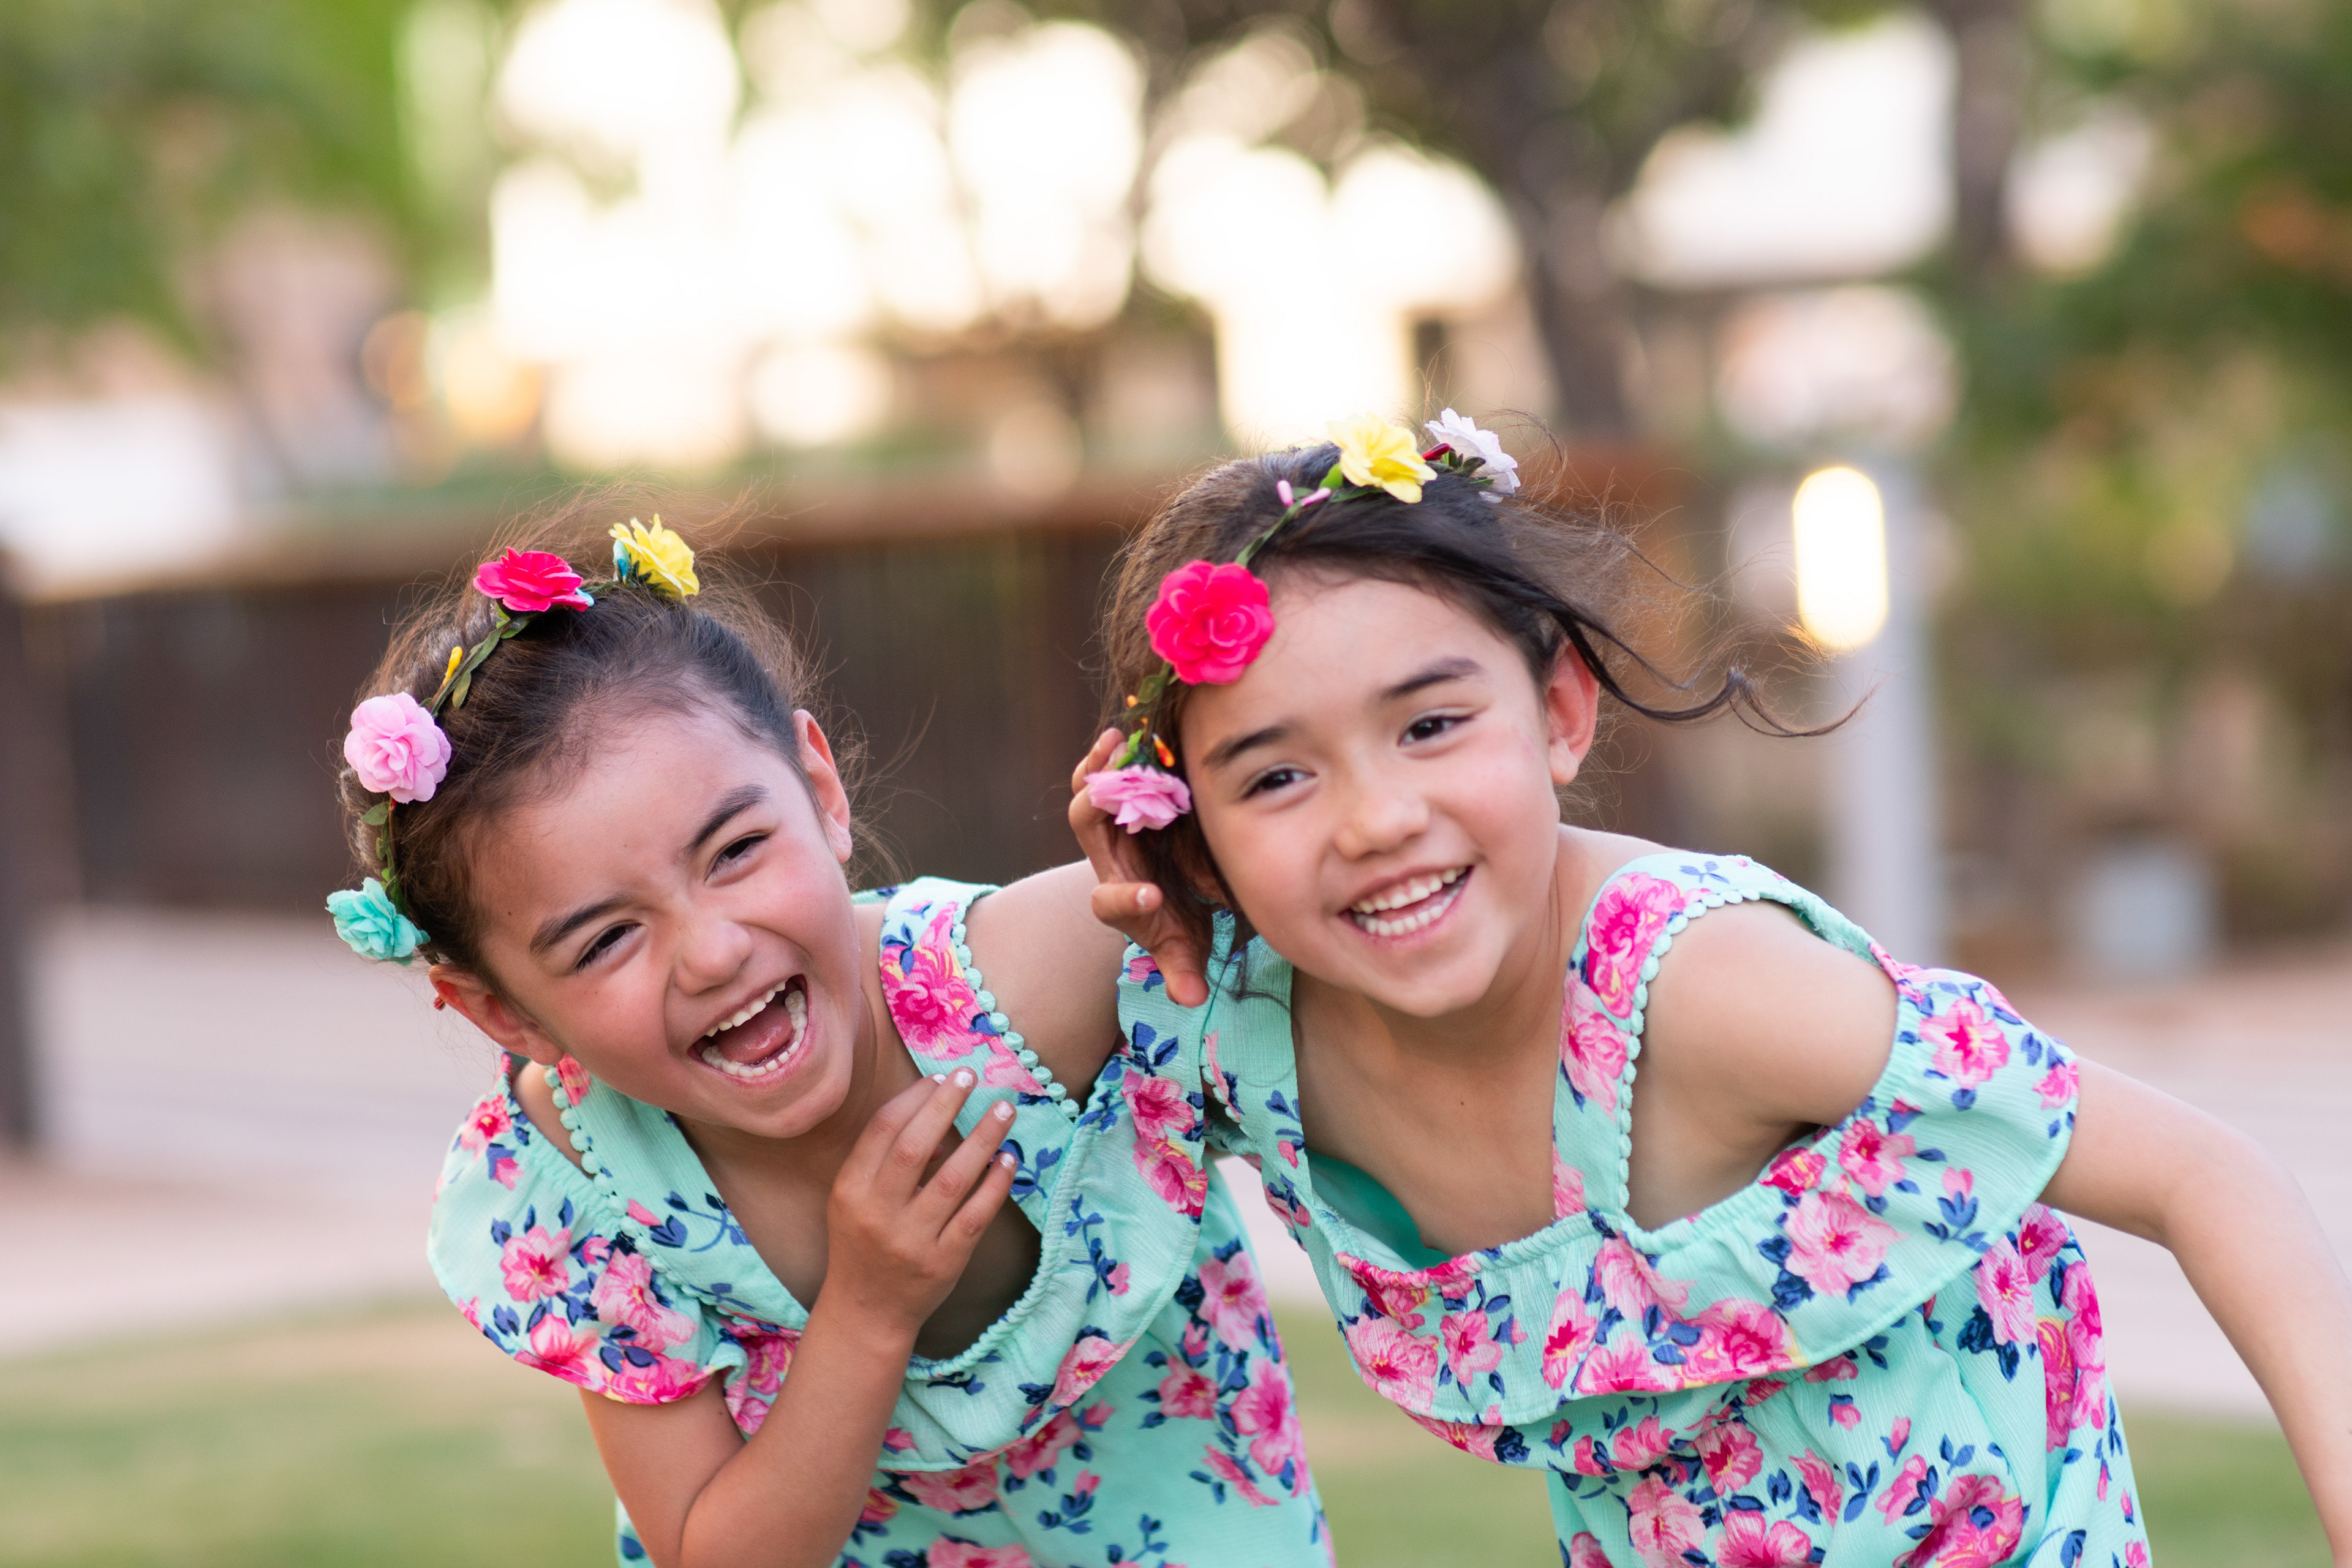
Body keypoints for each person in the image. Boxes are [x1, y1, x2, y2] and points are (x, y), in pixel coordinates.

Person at [1069, 412, 2352, 1566]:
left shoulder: (1705, 988)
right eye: (1276, 778)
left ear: (1560, 709)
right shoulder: (1242, 1028)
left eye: (1430, 726)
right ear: (1190, 830)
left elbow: (2209, 1175)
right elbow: (966, 1006)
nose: (1376, 819)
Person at [326, 515, 1329, 1568]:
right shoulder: (581, 1192)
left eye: (736, 850)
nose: (712, 953)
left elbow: (1309, 922)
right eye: (608, 939)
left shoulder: (1041, 982)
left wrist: (1185, 860)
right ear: (507, 1015)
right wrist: (867, 1309)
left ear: (820, 791)